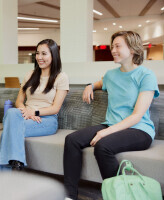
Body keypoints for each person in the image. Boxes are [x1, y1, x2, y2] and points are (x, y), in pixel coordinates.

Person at [63, 31, 159, 200]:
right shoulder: (111, 75)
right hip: (111, 124)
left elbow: (137, 116)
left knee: (103, 146)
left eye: (117, 46)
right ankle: (70, 195)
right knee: (72, 140)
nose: (113, 50)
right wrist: (90, 86)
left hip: (139, 129)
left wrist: (105, 132)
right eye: (112, 46)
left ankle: (120, 196)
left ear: (133, 49)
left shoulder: (146, 75)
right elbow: (100, 83)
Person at [0, 39, 69, 172]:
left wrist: (34, 112)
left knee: (10, 129)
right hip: (24, 116)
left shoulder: (61, 77)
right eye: (37, 53)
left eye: (44, 54)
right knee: (11, 113)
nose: (39, 57)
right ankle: (16, 163)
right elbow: (19, 102)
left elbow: (55, 108)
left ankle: (0, 176)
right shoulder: (30, 75)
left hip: (47, 120)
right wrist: (26, 112)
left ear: (53, 55)